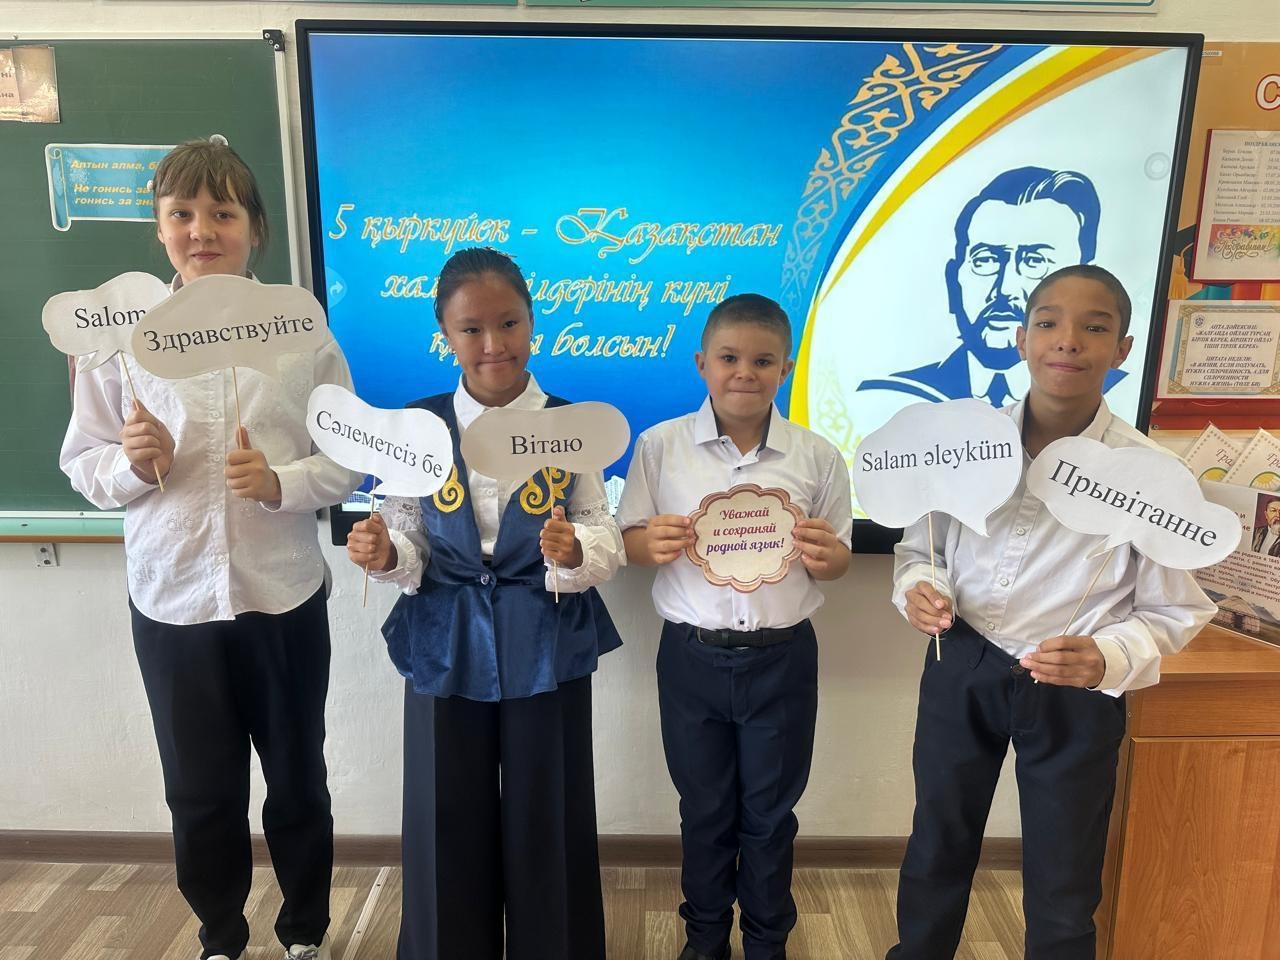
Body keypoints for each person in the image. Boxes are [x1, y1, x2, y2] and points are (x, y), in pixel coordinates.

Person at [60, 138, 361, 960]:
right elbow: (83, 463)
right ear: (159, 229)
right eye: (182, 214)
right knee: (199, 792)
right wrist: (131, 464)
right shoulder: (118, 340)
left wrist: (281, 482)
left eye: (222, 213)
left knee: (297, 780)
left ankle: (304, 933)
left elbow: (345, 460)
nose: (202, 230)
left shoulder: (299, 331)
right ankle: (220, 937)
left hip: (281, 594)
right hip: (172, 599)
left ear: (254, 227)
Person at [886, 264, 1217, 960]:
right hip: (961, 660)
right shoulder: (964, 446)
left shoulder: (1152, 477)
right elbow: (922, 548)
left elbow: (1176, 609)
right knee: (936, 844)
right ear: (1021, 338)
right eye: (1048, 323)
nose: (1068, 340)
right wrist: (918, 584)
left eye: (1094, 327)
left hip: (1074, 686)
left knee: (1065, 876)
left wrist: (1109, 656)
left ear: (1122, 349)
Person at [346, 246, 623, 960]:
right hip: (443, 636)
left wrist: (575, 552)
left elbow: (602, 529)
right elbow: (407, 533)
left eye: (509, 323)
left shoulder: (570, 423)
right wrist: (386, 554)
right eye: (472, 329)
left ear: (532, 322)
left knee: (548, 816)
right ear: (445, 333)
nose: (493, 344)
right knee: (445, 817)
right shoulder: (419, 426)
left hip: (547, 637)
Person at [616, 293, 853, 960]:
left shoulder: (817, 456)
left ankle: (768, 942)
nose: (745, 372)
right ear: (702, 364)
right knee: (705, 809)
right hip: (690, 658)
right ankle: (705, 939)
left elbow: (838, 557)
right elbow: (628, 541)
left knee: (770, 815)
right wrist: (648, 544)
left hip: (782, 660)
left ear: (787, 369)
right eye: (729, 358)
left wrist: (830, 559)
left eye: (763, 361)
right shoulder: (659, 446)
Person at [859, 166, 1125, 407]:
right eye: (985, 260)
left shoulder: (1125, 397)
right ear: (953, 280)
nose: (1005, 288)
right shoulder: (895, 398)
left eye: (1034, 261)